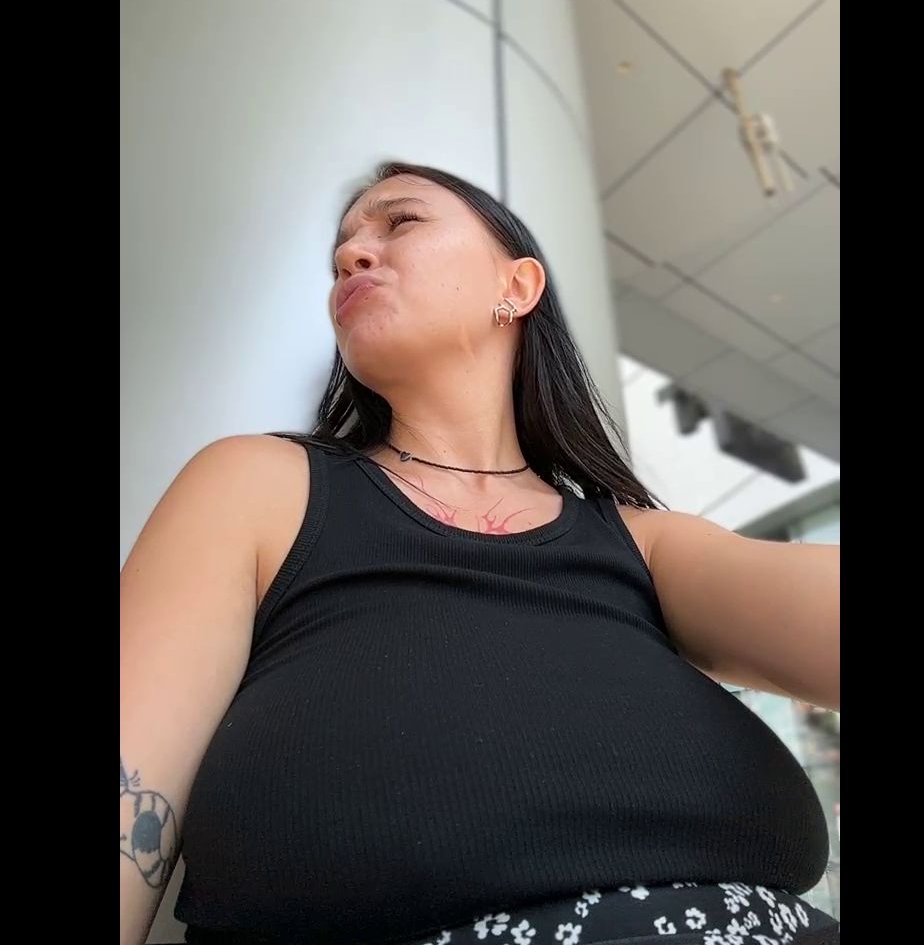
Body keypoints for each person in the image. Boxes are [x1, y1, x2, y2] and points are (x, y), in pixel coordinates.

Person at [120, 162, 840, 945]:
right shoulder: (260, 485)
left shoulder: (641, 541)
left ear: (517, 286)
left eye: (401, 222)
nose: (350, 256)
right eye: (340, 253)